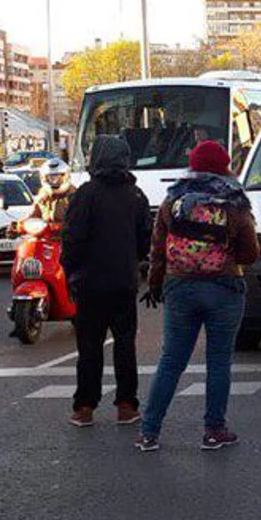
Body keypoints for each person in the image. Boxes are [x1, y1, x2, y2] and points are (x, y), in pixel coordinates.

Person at [135, 141, 261, 452]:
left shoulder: (174, 200)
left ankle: (149, 432)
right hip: (224, 287)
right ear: (224, 166)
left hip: (180, 287)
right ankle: (214, 430)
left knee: (171, 360)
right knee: (218, 362)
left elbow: (157, 248)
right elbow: (249, 253)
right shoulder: (234, 203)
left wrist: (155, 283)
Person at [62, 135, 152, 427]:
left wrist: (70, 270)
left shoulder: (86, 194)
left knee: (89, 347)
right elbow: (144, 240)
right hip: (124, 282)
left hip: (90, 283)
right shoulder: (136, 196)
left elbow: (73, 239)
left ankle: (85, 406)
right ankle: (126, 404)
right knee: (125, 344)